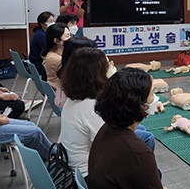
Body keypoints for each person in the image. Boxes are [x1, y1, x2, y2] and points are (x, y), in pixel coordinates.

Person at [58, 48, 155, 177]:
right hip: (86, 173)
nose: (112, 66)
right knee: (146, 138)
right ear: (97, 72)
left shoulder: (73, 98)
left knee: (141, 129)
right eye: (108, 64)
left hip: (72, 161)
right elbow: (113, 144)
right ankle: (144, 176)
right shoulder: (92, 108)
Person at [41, 23, 71, 89]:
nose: (70, 39)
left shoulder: (54, 53)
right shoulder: (56, 59)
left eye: (70, 35)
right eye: (67, 36)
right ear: (56, 40)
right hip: (60, 91)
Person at [29, 11, 55, 80]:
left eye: (53, 21)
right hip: (39, 66)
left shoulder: (40, 33)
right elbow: (44, 55)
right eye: (50, 21)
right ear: (43, 24)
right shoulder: (42, 36)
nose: (53, 23)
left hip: (36, 63)